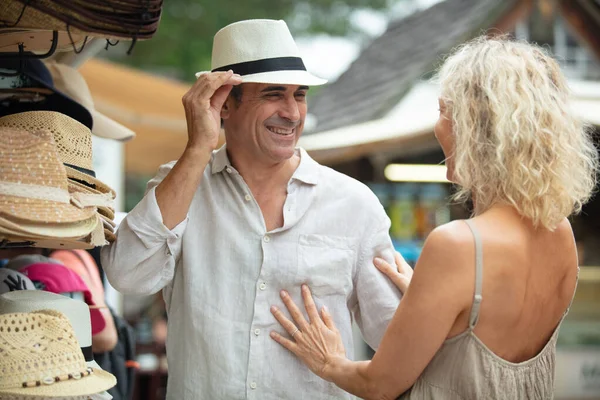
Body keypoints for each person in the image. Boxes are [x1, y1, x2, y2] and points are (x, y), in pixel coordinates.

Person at [270, 36, 598, 399]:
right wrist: (431, 300)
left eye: (444, 110)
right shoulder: (560, 233)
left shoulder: (458, 245)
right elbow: (493, 335)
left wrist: (328, 361)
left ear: (474, 126)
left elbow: (379, 384)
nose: (438, 126)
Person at [102, 19, 401, 399]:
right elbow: (127, 275)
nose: (292, 112)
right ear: (224, 103)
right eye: (274, 94)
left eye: (300, 94)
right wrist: (197, 149)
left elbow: (396, 338)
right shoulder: (181, 186)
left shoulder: (353, 203)